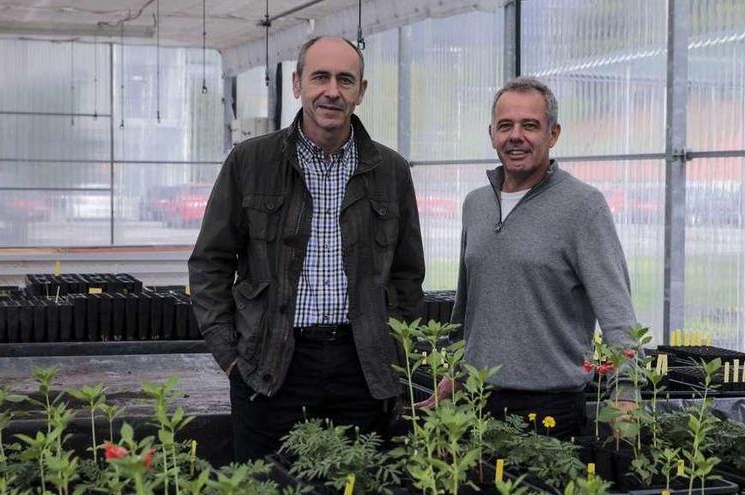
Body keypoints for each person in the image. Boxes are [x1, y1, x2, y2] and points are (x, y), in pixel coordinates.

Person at [189, 36, 425, 461]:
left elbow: (407, 275)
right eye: (320, 77)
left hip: (363, 368)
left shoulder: (391, 171)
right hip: (271, 365)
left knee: (358, 478)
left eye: (344, 79)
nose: (332, 91)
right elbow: (211, 262)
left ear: (361, 91)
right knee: (266, 484)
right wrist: (230, 357)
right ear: (297, 84)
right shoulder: (250, 162)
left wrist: (394, 352)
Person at [416, 77, 638, 439]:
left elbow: (617, 314)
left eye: (529, 125)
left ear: (553, 134)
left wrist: (626, 395)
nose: (515, 136)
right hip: (476, 402)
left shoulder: (583, 207)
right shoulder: (476, 205)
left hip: (550, 410)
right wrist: (453, 375)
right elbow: (467, 306)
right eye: (506, 126)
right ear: (491, 134)